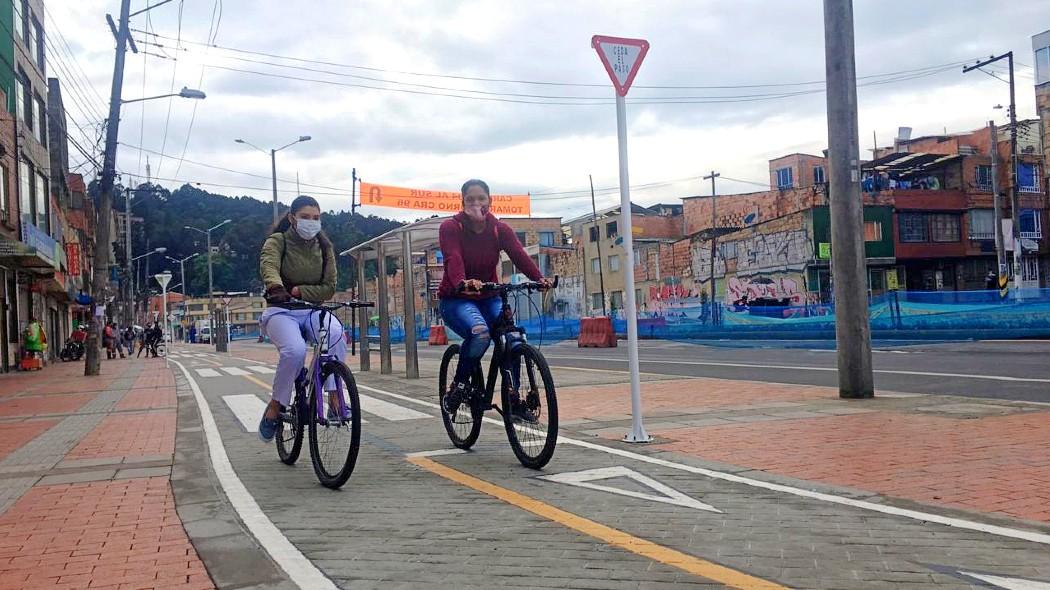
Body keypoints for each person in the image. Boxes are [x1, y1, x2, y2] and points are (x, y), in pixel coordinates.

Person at [437, 179, 551, 419]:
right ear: (463, 203)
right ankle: (458, 386)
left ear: (490, 201)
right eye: (470, 199)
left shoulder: (500, 229)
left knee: (513, 337)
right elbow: (453, 257)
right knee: (480, 333)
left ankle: (513, 397)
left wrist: (539, 279)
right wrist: (462, 281)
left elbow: (519, 255)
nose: (476, 204)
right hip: (456, 298)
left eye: (481, 199)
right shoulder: (451, 227)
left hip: (489, 295)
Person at [257, 195, 341, 442]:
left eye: (316, 218)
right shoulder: (277, 242)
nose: (311, 222)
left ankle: (335, 396)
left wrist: (299, 291)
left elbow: (329, 287)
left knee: (335, 336)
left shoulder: (325, 248)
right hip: (281, 310)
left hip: (312, 309)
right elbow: (268, 265)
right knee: (294, 351)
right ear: (292, 218)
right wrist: (275, 287)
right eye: (305, 217)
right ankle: (276, 404)